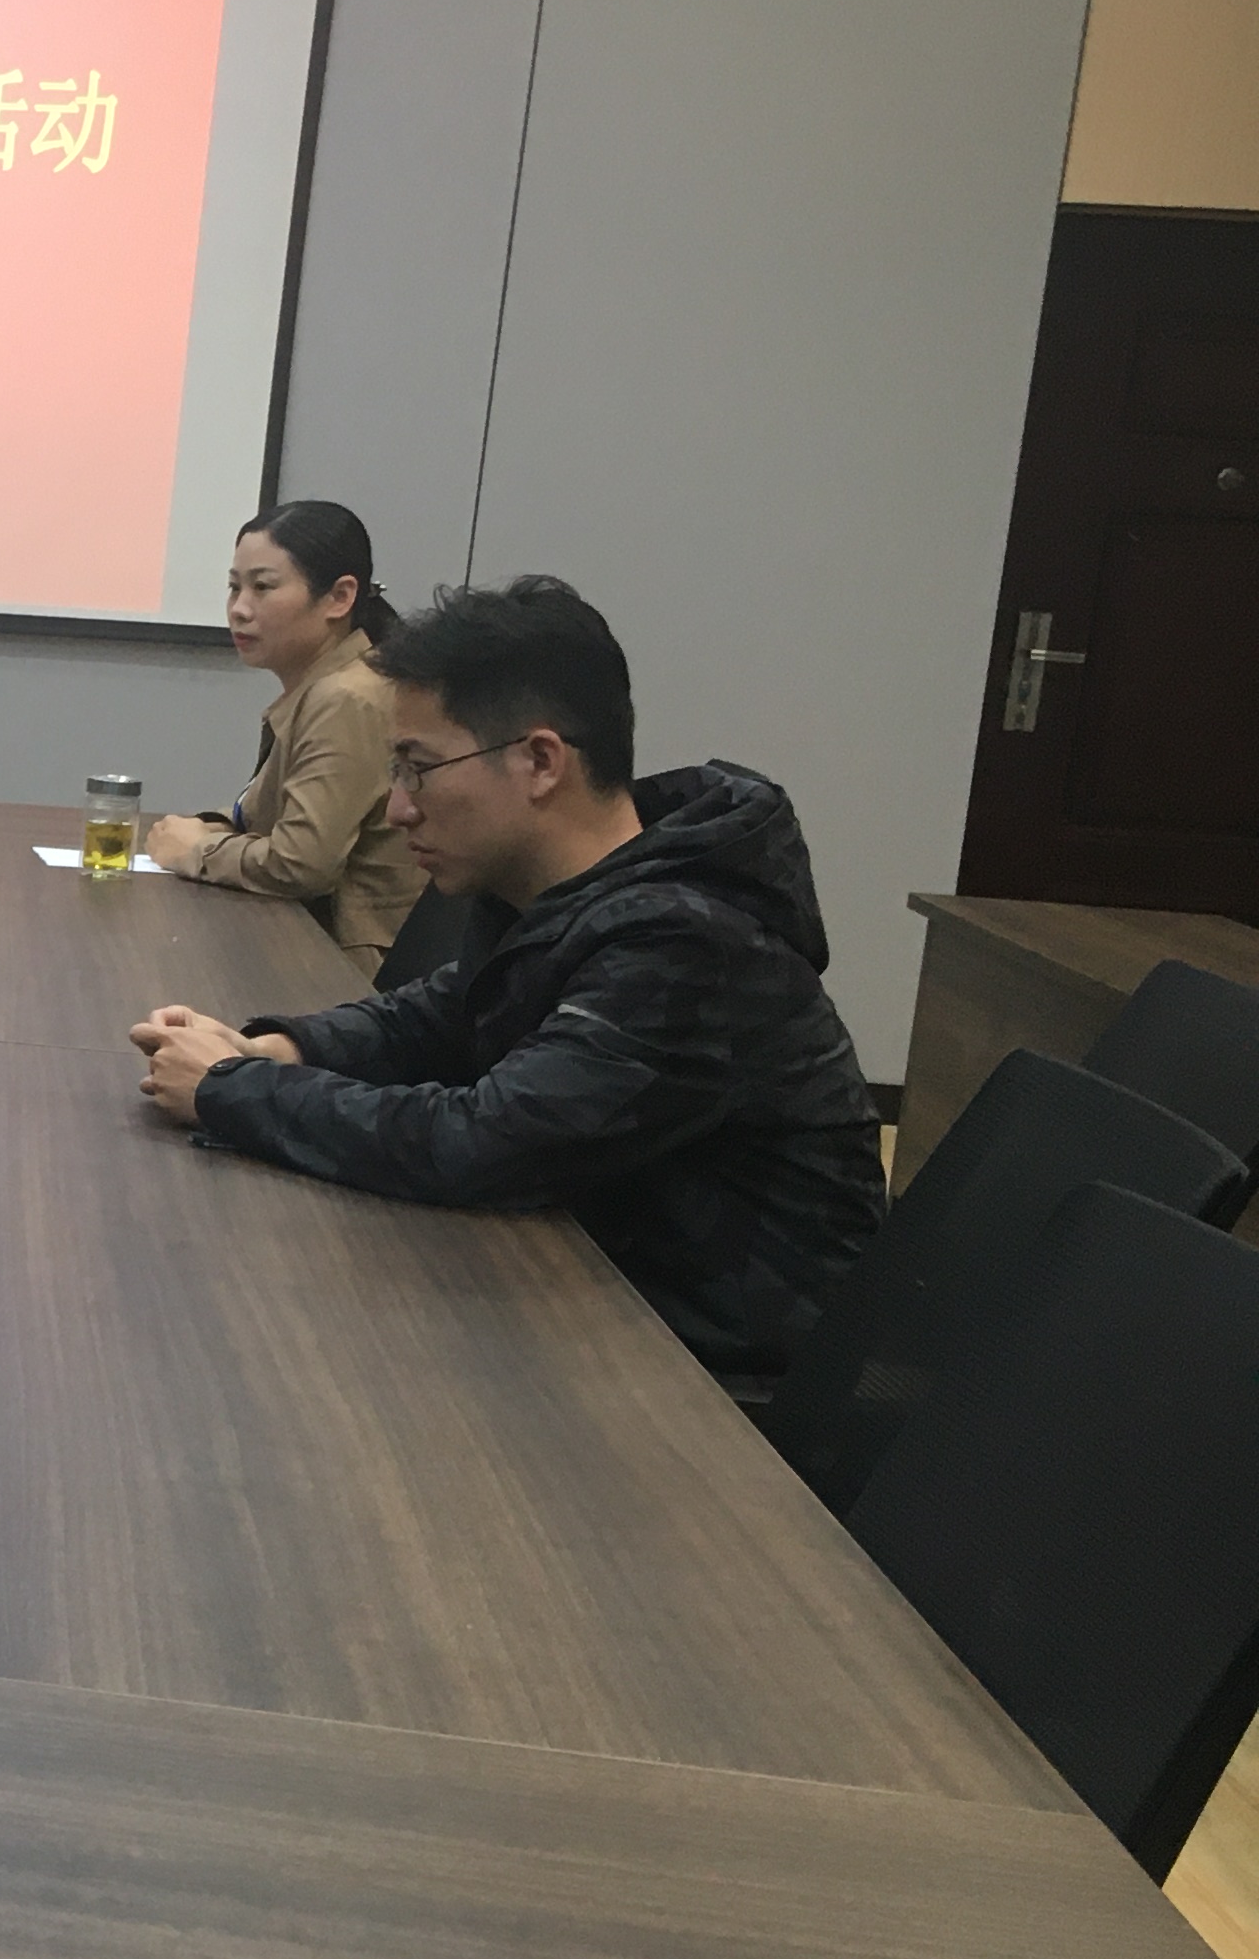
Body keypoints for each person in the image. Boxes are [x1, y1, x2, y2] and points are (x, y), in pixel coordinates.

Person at [131, 575, 885, 1382]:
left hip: (705, 1379)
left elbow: (484, 1143)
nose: (398, 808)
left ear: (539, 761)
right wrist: (281, 1050)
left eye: (417, 768)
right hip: (590, 1292)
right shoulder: (582, 891)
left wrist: (234, 1090)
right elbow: (441, 1016)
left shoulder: (685, 940)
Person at [140, 499, 423, 970]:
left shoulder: (346, 697)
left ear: (339, 597)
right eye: (234, 587)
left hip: (339, 967)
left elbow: (302, 863)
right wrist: (212, 829)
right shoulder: (328, 685)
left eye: (263, 587)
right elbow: (270, 820)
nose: (239, 609)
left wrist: (198, 850)